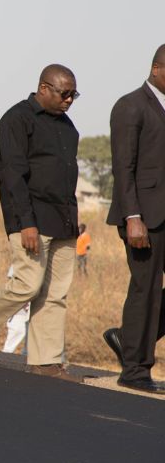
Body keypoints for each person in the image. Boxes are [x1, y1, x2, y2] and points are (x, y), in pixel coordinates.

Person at [0, 64, 81, 381]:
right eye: (64, 93)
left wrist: (74, 222)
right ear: (44, 88)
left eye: (74, 95)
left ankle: (45, 360)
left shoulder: (68, 127)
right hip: (32, 220)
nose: (69, 100)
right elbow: (12, 176)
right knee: (27, 285)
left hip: (64, 221)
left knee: (55, 294)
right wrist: (25, 222)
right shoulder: (17, 119)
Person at [102, 46, 165, 394]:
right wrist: (133, 217)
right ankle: (136, 369)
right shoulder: (131, 105)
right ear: (157, 69)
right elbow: (122, 168)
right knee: (147, 291)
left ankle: (128, 338)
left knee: (153, 295)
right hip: (144, 218)